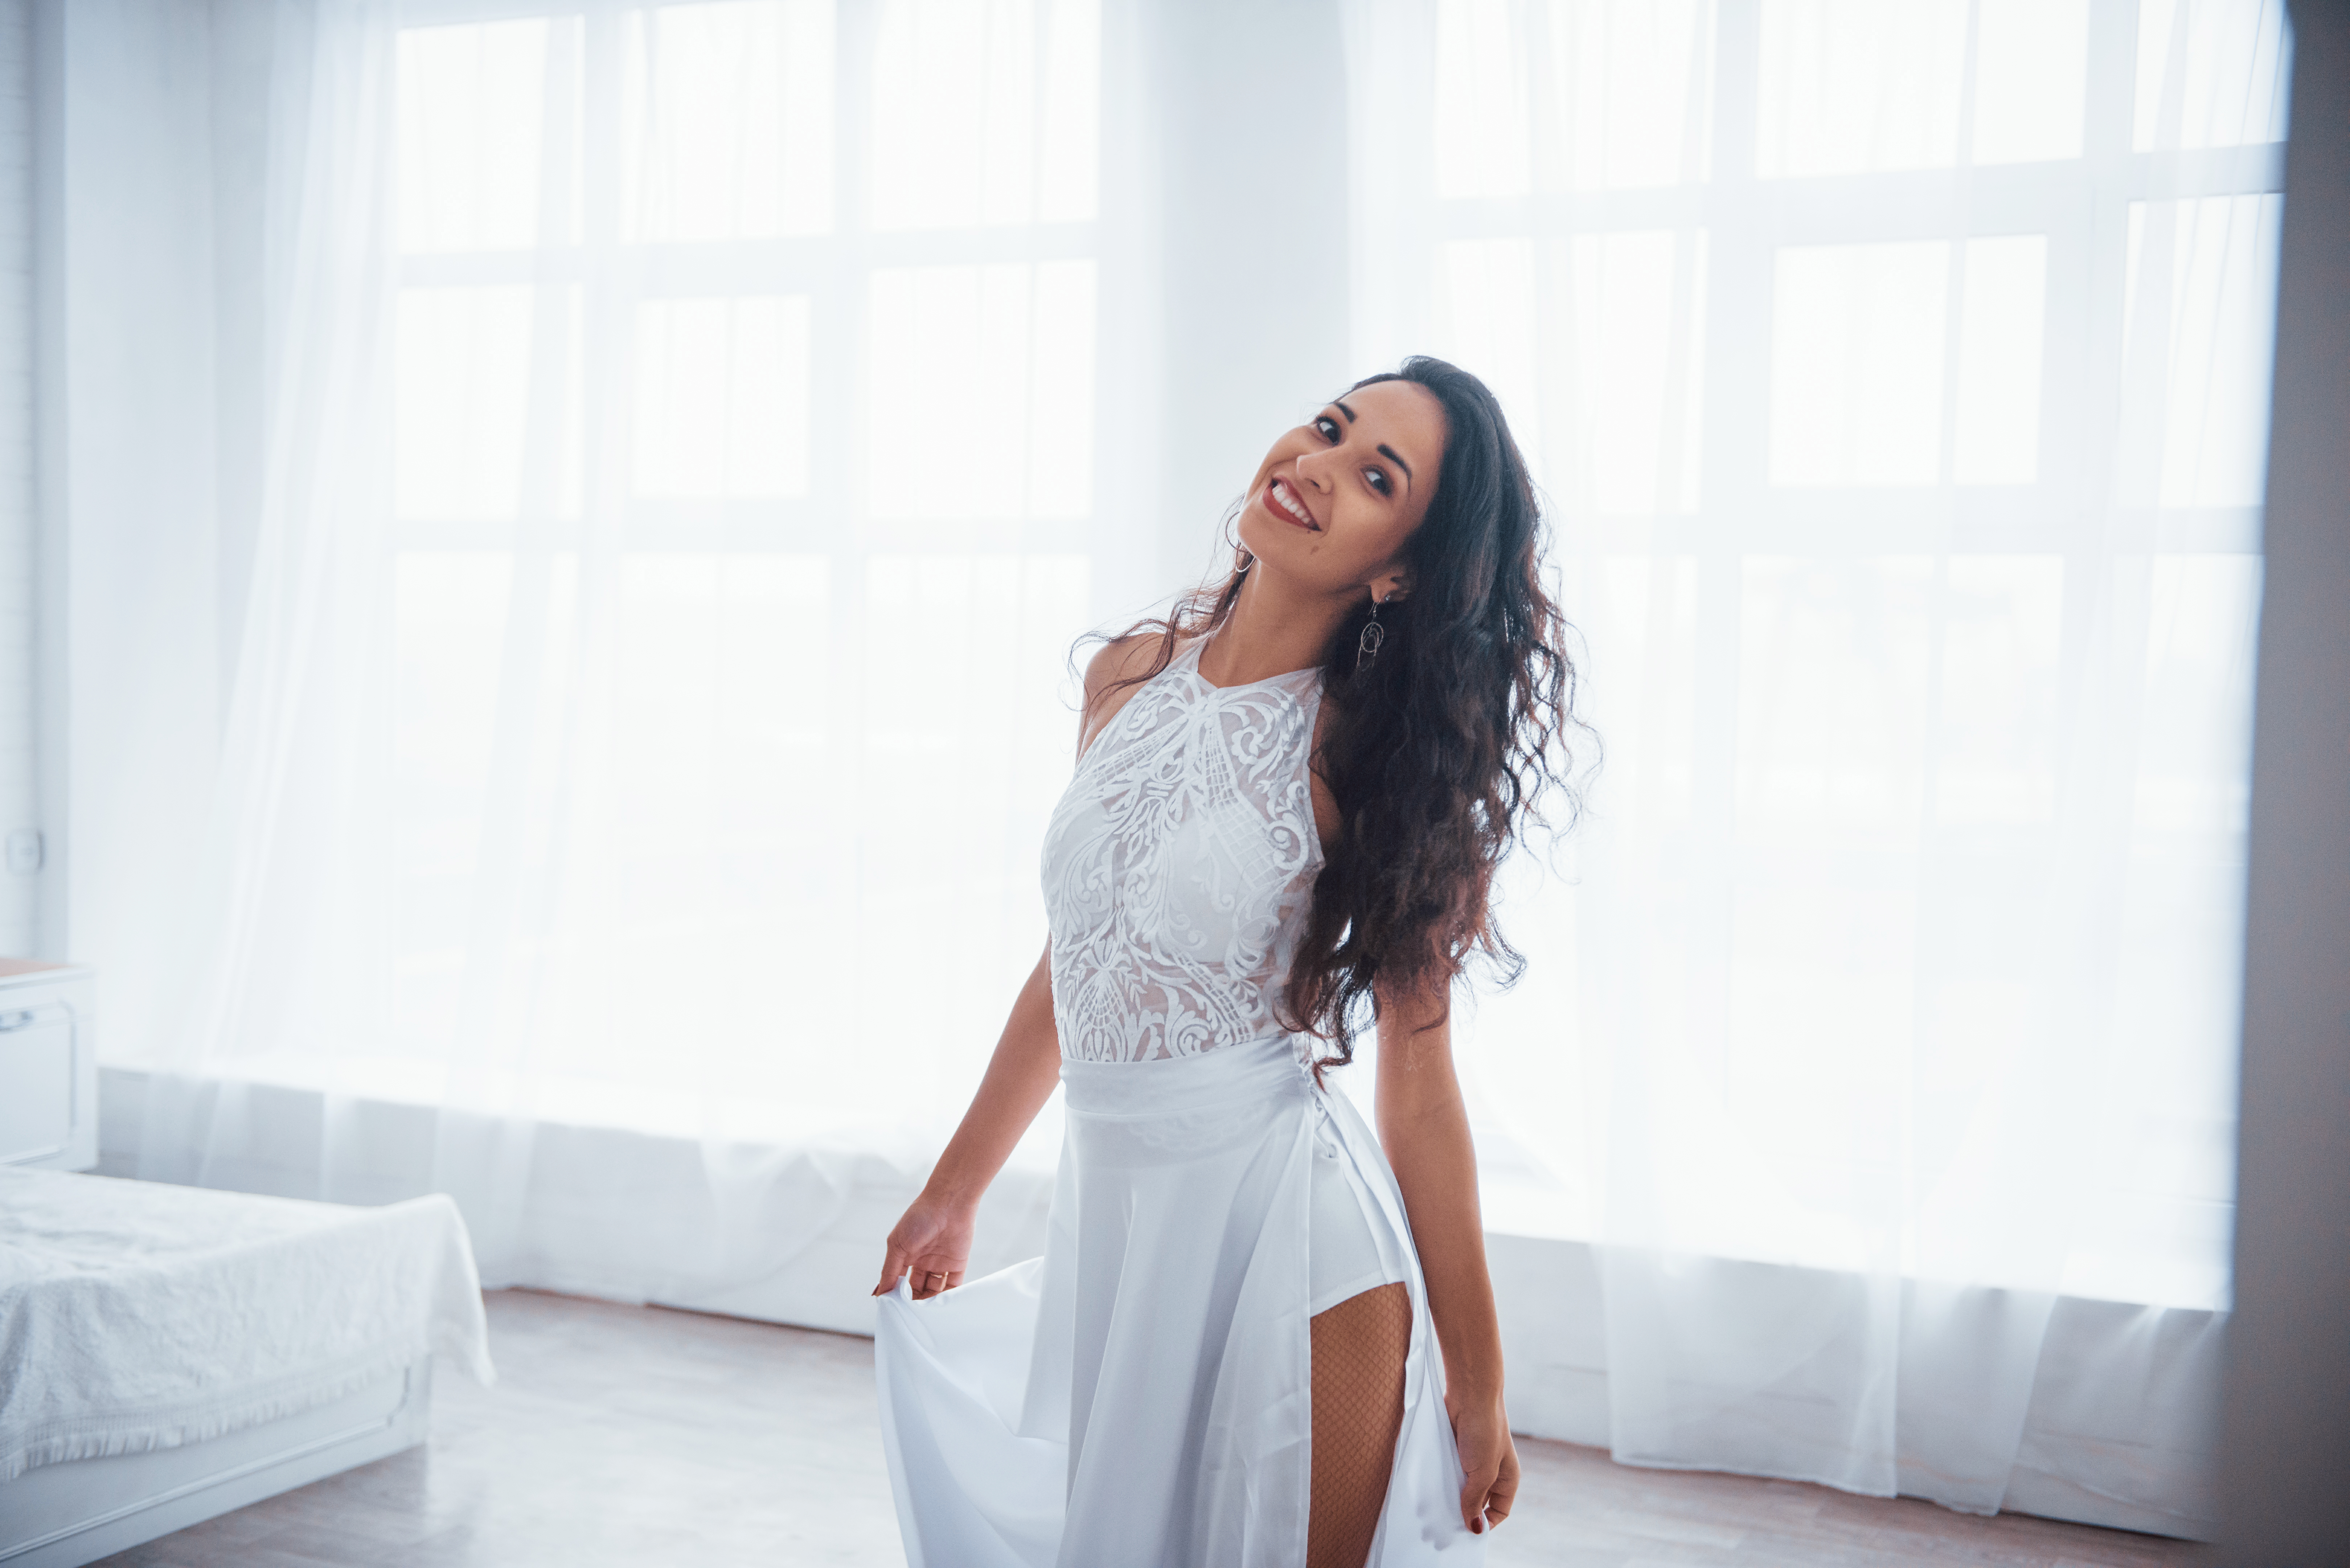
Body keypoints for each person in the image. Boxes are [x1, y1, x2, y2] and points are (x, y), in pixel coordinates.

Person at [871, 356, 1584, 1568]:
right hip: (1124, 1230)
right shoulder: (1125, 678)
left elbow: (1421, 1092)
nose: (1313, 464)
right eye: (1328, 426)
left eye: (1373, 475)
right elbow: (1079, 960)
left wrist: (1480, 1386)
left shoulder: (1366, 762)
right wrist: (955, 1189)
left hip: (1292, 1244)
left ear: (1397, 568)